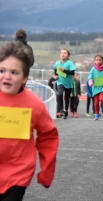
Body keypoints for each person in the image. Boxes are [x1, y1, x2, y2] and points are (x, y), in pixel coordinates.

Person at [0, 41, 59, 200]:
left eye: (14, 72)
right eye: (2, 70)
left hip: (17, 174)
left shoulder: (34, 105)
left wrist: (47, 171)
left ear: (25, 77)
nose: (6, 76)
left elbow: (48, 136)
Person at [88, 54, 103, 120]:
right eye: (97, 60)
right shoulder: (93, 69)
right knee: (96, 102)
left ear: (102, 61)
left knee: (102, 99)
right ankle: (96, 114)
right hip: (95, 88)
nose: (98, 61)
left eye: (100, 60)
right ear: (94, 61)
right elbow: (90, 77)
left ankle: (102, 105)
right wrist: (90, 82)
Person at [53, 48, 76, 119]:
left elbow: (72, 72)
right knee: (59, 93)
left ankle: (66, 110)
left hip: (68, 83)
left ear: (68, 56)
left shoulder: (70, 63)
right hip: (60, 81)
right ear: (59, 55)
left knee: (66, 98)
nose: (63, 54)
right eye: (61, 53)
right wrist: (55, 75)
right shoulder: (57, 63)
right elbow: (55, 70)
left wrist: (64, 70)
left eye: (65, 53)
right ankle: (61, 109)